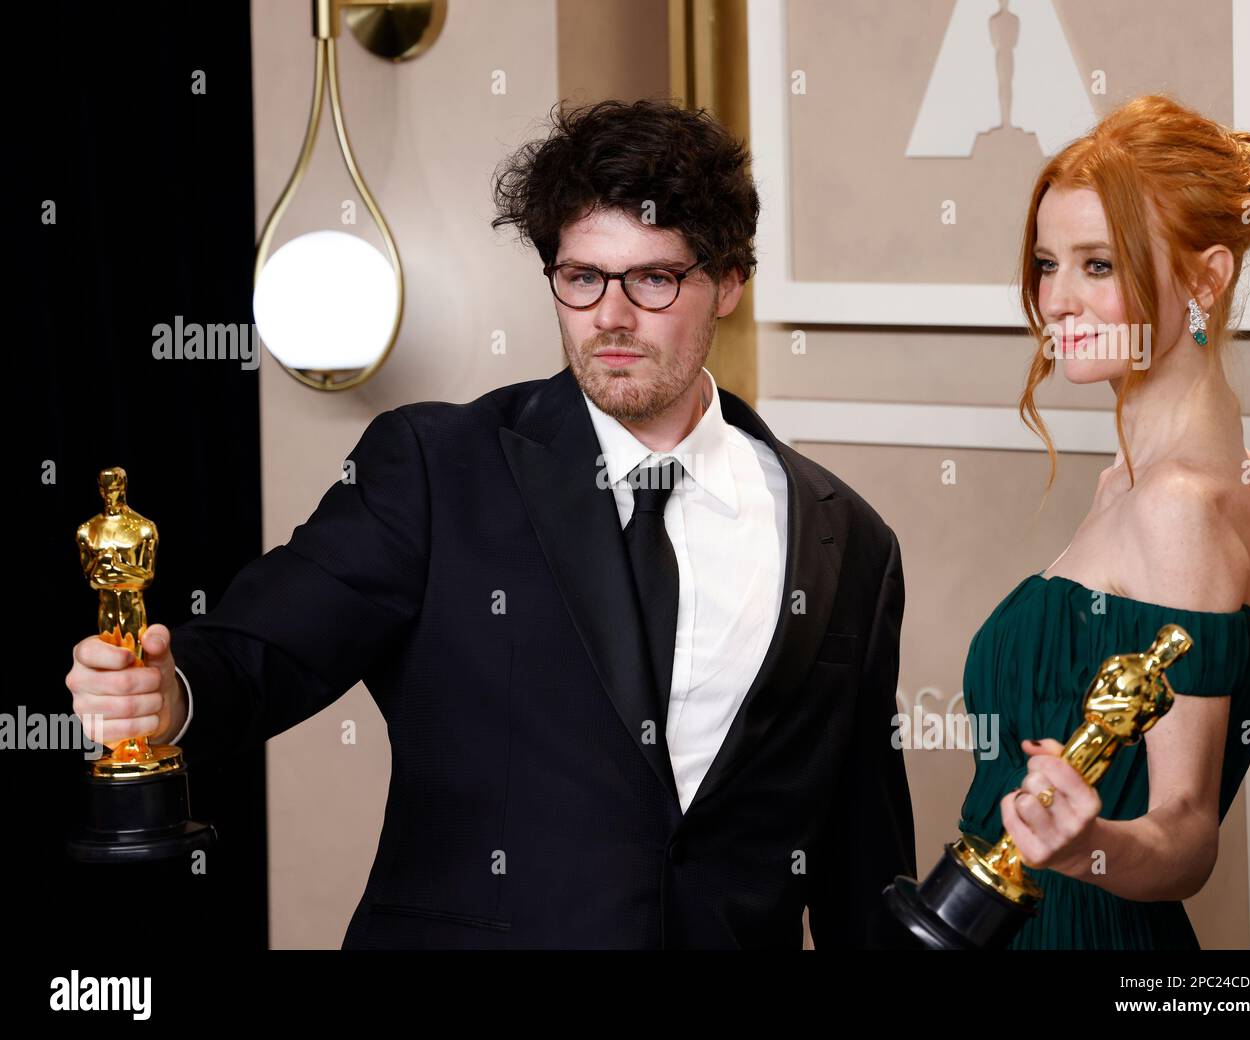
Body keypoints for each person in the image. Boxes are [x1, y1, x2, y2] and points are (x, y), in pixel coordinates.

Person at [65, 98, 916, 949]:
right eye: (582, 277)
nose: (610, 317)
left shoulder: (849, 544)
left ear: (729, 281)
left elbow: (860, 860)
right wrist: (166, 695)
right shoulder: (436, 470)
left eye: (653, 278)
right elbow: (264, 652)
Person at [957, 94, 1250, 949]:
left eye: (1098, 265)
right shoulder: (1137, 482)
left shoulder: (1181, 506)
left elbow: (1187, 836)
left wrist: (1088, 846)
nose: (1057, 300)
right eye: (1046, 262)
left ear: (1206, 279)